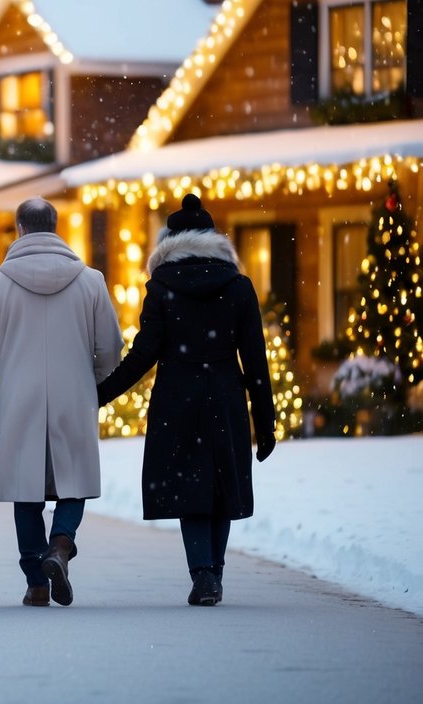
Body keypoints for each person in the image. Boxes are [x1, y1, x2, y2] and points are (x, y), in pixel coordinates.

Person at [96, 194, 276, 607]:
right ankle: (214, 571)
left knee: (189, 487)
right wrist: (265, 420)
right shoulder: (238, 287)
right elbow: (255, 358)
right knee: (222, 485)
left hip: (177, 398)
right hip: (226, 396)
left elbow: (144, 353)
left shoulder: (162, 287)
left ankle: (202, 573)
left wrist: (102, 393)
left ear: (170, 242)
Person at [0, 197, 123, 607]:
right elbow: (110, 345)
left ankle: (36, 582)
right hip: (75, 394)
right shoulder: (91, 281)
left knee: (27, 491)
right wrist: (96, 383)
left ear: (20, 228)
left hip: (19, 397)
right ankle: (61, 546)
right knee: (74, 480)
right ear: (55, 226)